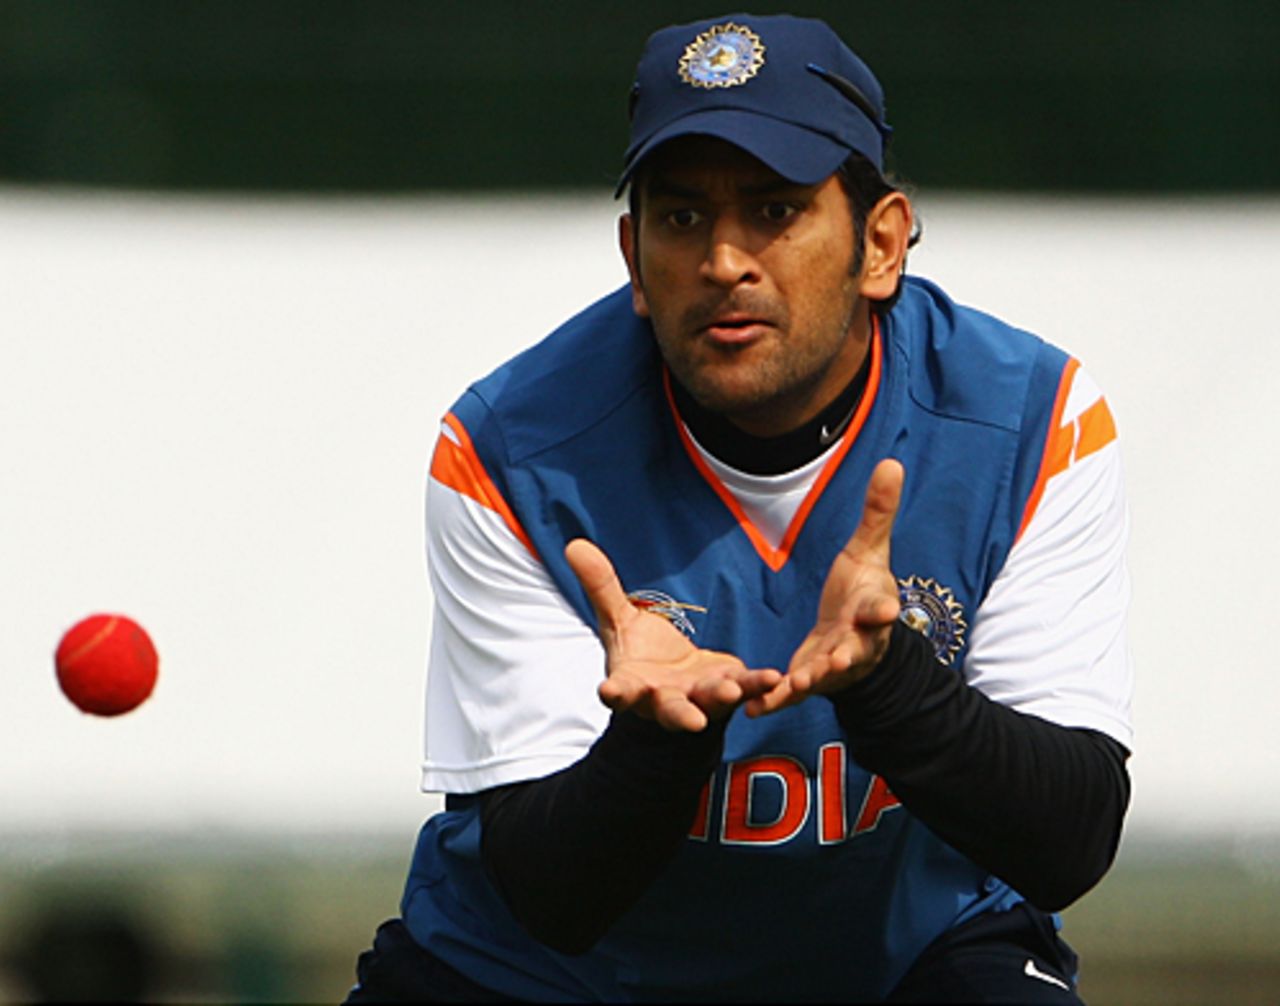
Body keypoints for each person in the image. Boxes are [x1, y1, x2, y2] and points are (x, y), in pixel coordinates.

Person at [346, 12, 1132, 1003]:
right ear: (632, 256)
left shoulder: (1030, 422)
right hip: (544, 976)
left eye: (773, 210)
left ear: (880, 242)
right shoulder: (509, 449)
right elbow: (554, 895)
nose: (722, 260)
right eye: (680, 218)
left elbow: (1068, 839)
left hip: (902, 960)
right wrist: (657, 737)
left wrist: (888, 680)